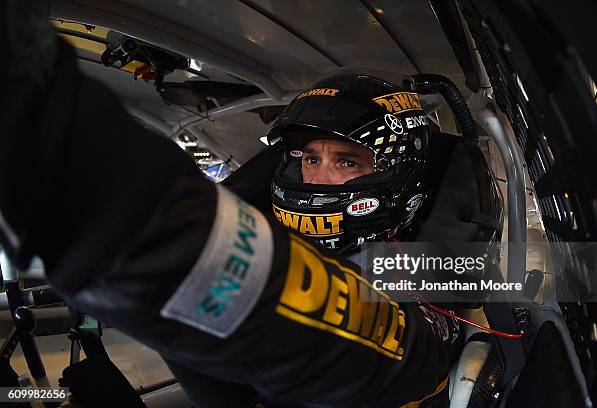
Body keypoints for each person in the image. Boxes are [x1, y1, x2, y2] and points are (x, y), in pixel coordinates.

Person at [0, 6, 461, 407]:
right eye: (309, 159)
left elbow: (402, 340)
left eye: (347, 162)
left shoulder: (441, 267)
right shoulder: (274, 227)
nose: (315, 179)